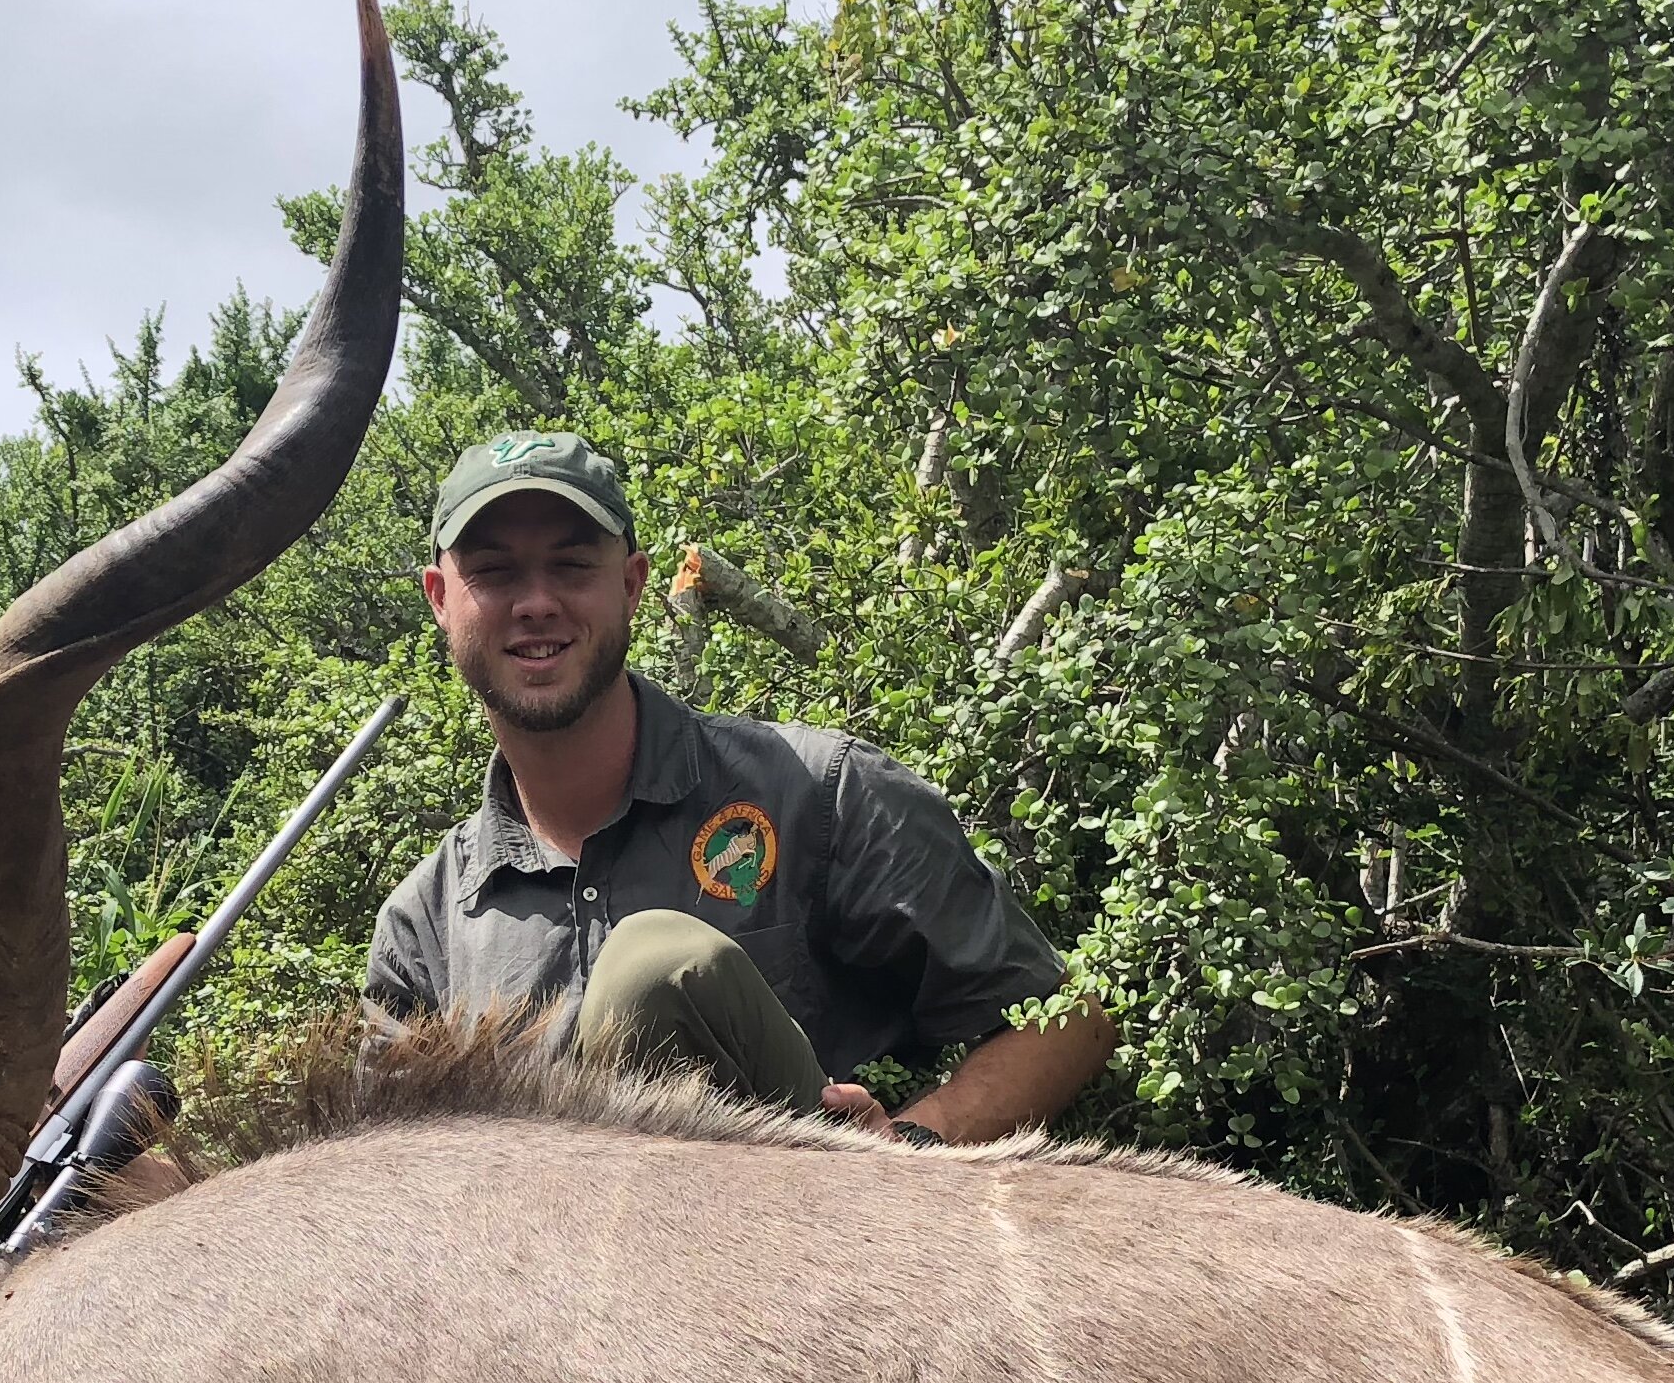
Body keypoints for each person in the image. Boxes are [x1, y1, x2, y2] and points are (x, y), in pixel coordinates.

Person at [366, 430, 1115, 1143]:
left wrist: (914, 1148)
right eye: (494, 572)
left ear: (632, 586)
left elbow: (1065, 1019)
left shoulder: (818, 794)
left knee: (654, 969)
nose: (536, 602)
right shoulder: (424, 928)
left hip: (800, 1251)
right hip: (544, 1270)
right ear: (440, 598)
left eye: (571, 566)